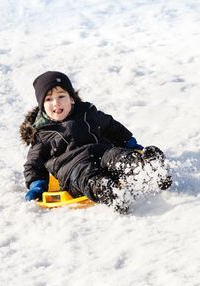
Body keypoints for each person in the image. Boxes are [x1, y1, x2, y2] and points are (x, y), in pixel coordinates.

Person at [20, 71, 171, 213]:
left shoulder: (86, 112)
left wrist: (130, 144)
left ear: (71, 98)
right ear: (42, 106)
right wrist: (36, 185)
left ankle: (148, 168)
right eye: (48, 99)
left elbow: (111, 126)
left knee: (116, 156)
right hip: (73, 168)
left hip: (101, 152)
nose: (56, 103)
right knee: (86, 176)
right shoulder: (41, 134)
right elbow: (34, 164)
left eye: (61, 96)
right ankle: (107, 191)